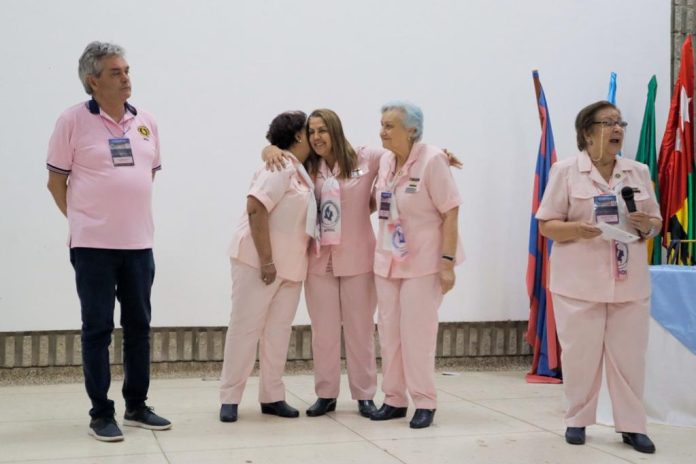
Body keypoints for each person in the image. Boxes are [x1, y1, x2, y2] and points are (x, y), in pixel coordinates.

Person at [262, 109, 462, 419]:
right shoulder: (307, 166)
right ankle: (325, 394)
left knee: (360, 331)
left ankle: (365, 395)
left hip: (359, 258)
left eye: (323, 130)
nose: (316, 137)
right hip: (319, 261)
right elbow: (277, 154)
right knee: (323, 332)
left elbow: (408, 153)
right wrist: (269, 148)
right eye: (312, 131)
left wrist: (442, 154)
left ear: (336, 131)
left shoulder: (367, 158)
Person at [46, 41, 171, 442]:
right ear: (92, 81)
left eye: (127, 70)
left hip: (139, 244)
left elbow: (146, 175)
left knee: (139, 326)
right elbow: (55, 181)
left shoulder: (145, 120)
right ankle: (101, 412)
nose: (126, 78)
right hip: (93, 247)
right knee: (97, 328)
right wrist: (85, 220)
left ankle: (137, 404)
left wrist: (124, 212)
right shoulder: (72, 122)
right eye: (116, 72)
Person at [536, 101, 661, 454]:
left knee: (630, 359)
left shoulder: (637, 171)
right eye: (609, 123)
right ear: (588, 132)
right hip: (578, 283)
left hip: (629, 281)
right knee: (580, 358)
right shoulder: (565, 171)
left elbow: (655, 222)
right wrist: (578, 228)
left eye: (621, 122)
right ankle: (577, 420)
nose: (618, 129)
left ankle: (632, 427)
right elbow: (547, 225)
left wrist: (646, 226)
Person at [371, 101, 463, 429]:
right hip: (388, 260)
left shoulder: (433, 159)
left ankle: (424, 401)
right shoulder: (384, 160)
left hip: (424, 261)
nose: (382, 131)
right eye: (381, 124)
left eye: (389, 126)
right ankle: (394, 399)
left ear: (412, 130)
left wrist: (447, 263)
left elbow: (451, 211)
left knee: (417, 334)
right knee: (389, 332)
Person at [219, 111, 315, 423]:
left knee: (277, 334)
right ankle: (230, 398)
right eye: (309, 131)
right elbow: (255, 208)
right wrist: (267, 260)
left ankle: (272, 397)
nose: (314, 137)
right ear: (298, 136)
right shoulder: (281, 165)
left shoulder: (301, 169)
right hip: (259, 263)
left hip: (290, 268)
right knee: (245, 329)